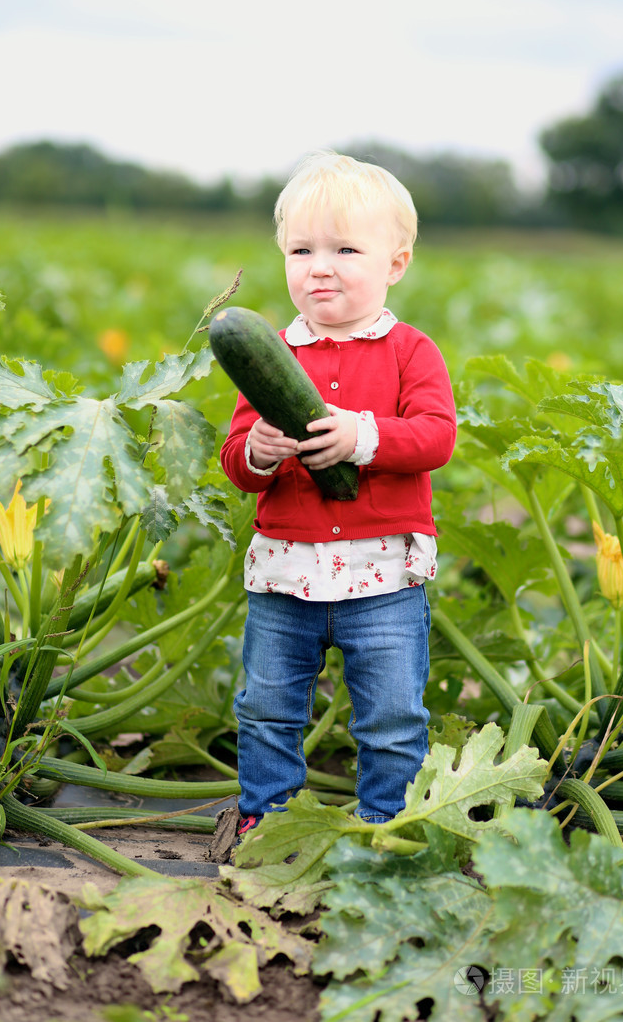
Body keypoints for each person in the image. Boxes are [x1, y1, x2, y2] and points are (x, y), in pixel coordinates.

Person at [220, 150, 456, 834]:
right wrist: (259, 453)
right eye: (301, 249)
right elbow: (236, 460)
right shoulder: (271, 356)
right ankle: (267, 817)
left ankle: (386, 821)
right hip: (284, 578)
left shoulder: (412, 350)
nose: (319, 265)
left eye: (345, 248)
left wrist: (362, 438)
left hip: (381, 577)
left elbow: (435, 437)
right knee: (266, 706)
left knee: (389, 713)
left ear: (395, 263)